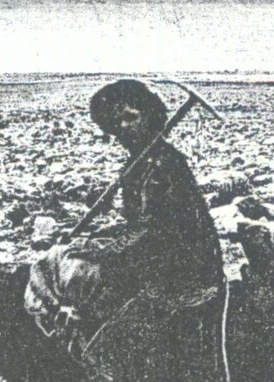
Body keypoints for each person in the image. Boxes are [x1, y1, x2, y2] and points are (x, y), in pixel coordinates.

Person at [87, 78, 222, 310]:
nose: (123, 126)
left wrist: (105, 251)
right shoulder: (138, 163)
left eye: (130, 117)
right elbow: (138, 223)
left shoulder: (164, 163)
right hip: (159, 255)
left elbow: (153, 228)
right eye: (116, 120)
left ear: (149, 117)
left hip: (184, 269)